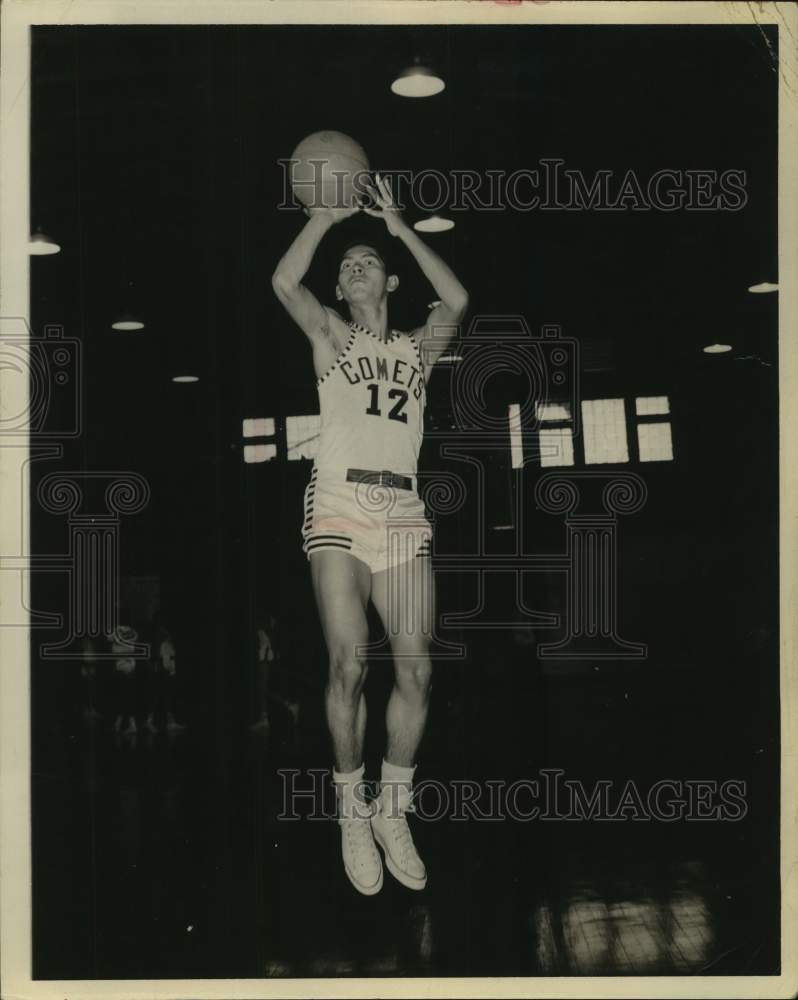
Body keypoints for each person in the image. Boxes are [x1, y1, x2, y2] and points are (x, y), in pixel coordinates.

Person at [272, 174, 468, 894]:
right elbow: (283, 279)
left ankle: (393, 807)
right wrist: (323, 217)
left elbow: (462, 300)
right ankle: (350, 807)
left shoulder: (419, 346)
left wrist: (400, 227)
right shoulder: (329, 332)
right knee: (349, 665)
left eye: (364, 262)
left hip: (403, 514)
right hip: (338, 506)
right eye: (344, 266)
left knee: (416, 670)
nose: (352, 270)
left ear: (387, 278)